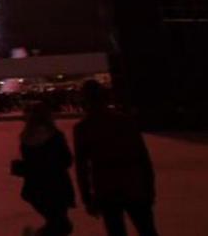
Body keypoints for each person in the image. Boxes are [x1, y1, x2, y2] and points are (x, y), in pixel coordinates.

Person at [73, 80, 159, 236]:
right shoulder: (125, 121)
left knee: (116, 230)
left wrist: (87, 198)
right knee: (146, 228)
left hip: (106, 186)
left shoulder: (83, 128)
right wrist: (149, 187)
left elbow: (82, 167)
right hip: (133, 182)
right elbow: (142, 156)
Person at [15, 102, 75, 235]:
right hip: (56, 185)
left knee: (57, 223)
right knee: (61, 224)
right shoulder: (55, 136)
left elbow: (29, 163)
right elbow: (67, 160)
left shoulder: (26, 138)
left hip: (35, 187)